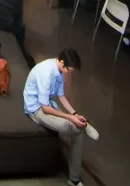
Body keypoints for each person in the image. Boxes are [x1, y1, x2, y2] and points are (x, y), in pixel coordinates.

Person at [23, 49, 90, 186]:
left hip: (48, 104)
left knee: (75, 127)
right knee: (75, 130)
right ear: (61, 62)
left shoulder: (59, 70)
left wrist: (74, 114)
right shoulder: (46, 73)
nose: (69, 73)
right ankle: (74, 179)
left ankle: (73, 176)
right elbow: (44, 108)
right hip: (35, 110)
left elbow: (61, 96)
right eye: (69, 71)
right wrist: (69, 119)